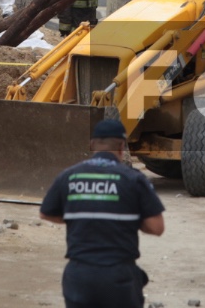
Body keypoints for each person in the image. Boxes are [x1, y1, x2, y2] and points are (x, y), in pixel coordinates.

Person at [40, 119, 165, 308]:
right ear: (122, 147)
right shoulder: (134, 179)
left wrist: (82, 216)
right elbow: (157, 227)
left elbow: (45, 213)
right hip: (118, 278)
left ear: (92, 145)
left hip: (79, 276)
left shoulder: (69, 176)